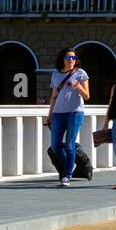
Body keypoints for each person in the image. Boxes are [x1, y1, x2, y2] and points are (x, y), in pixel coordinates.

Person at [47, 47, 90, 187]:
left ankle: (66, 175)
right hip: (58, 113)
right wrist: (50, 115)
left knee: (70, 144)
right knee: (55, 145)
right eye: (68, 57)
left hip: (75, 113)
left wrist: (78, 86)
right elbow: (54, 96)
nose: (71, 60)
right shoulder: (56, 74)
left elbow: (87, 96)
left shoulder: (81, 73)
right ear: (62, 59)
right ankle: (69, 166)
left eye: (73, 58)